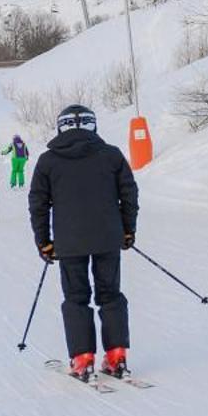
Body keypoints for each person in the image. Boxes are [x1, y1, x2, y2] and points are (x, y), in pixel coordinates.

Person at [29, 104, 139, 381]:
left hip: (69, 243)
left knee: (76, 298)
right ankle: (116, 357)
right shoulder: (111, 155)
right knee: (111, 294)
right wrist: (128, 230)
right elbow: (129, 195)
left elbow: (38, 205)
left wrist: (44, 241)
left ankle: (82, 359)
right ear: (92, 125)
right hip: (108, 239)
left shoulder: (48, 161)